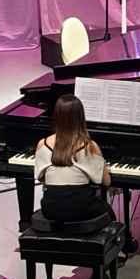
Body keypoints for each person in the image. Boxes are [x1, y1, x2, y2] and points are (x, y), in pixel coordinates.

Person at [34, 94, 117, 223]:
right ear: (81, 117)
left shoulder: (42, 144)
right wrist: (103, 166)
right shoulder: (89, 146)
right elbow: (106, 182)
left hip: (50, 209)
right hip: (81, 208)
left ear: (57, 116)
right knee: (108, 211)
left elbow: (41, 178)